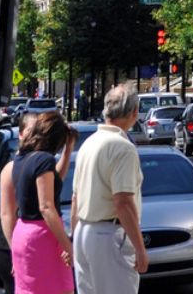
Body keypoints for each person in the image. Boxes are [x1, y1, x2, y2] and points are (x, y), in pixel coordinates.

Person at [70, 84, 147, 294]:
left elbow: (76, 197)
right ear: (134, 112)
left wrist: (73, 236)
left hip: (84, 232)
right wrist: (140, 249)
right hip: (109, 235)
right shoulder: (123, 147)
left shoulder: (89, 143)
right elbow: (123, 202)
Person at [1, 110, 77, 294]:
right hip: (43, 235)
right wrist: (68, 245)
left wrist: (68, 151)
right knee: (59, 289)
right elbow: (46, 206)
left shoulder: (20, 160)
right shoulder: (44, 160)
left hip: (23, 233)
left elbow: (54, 180)